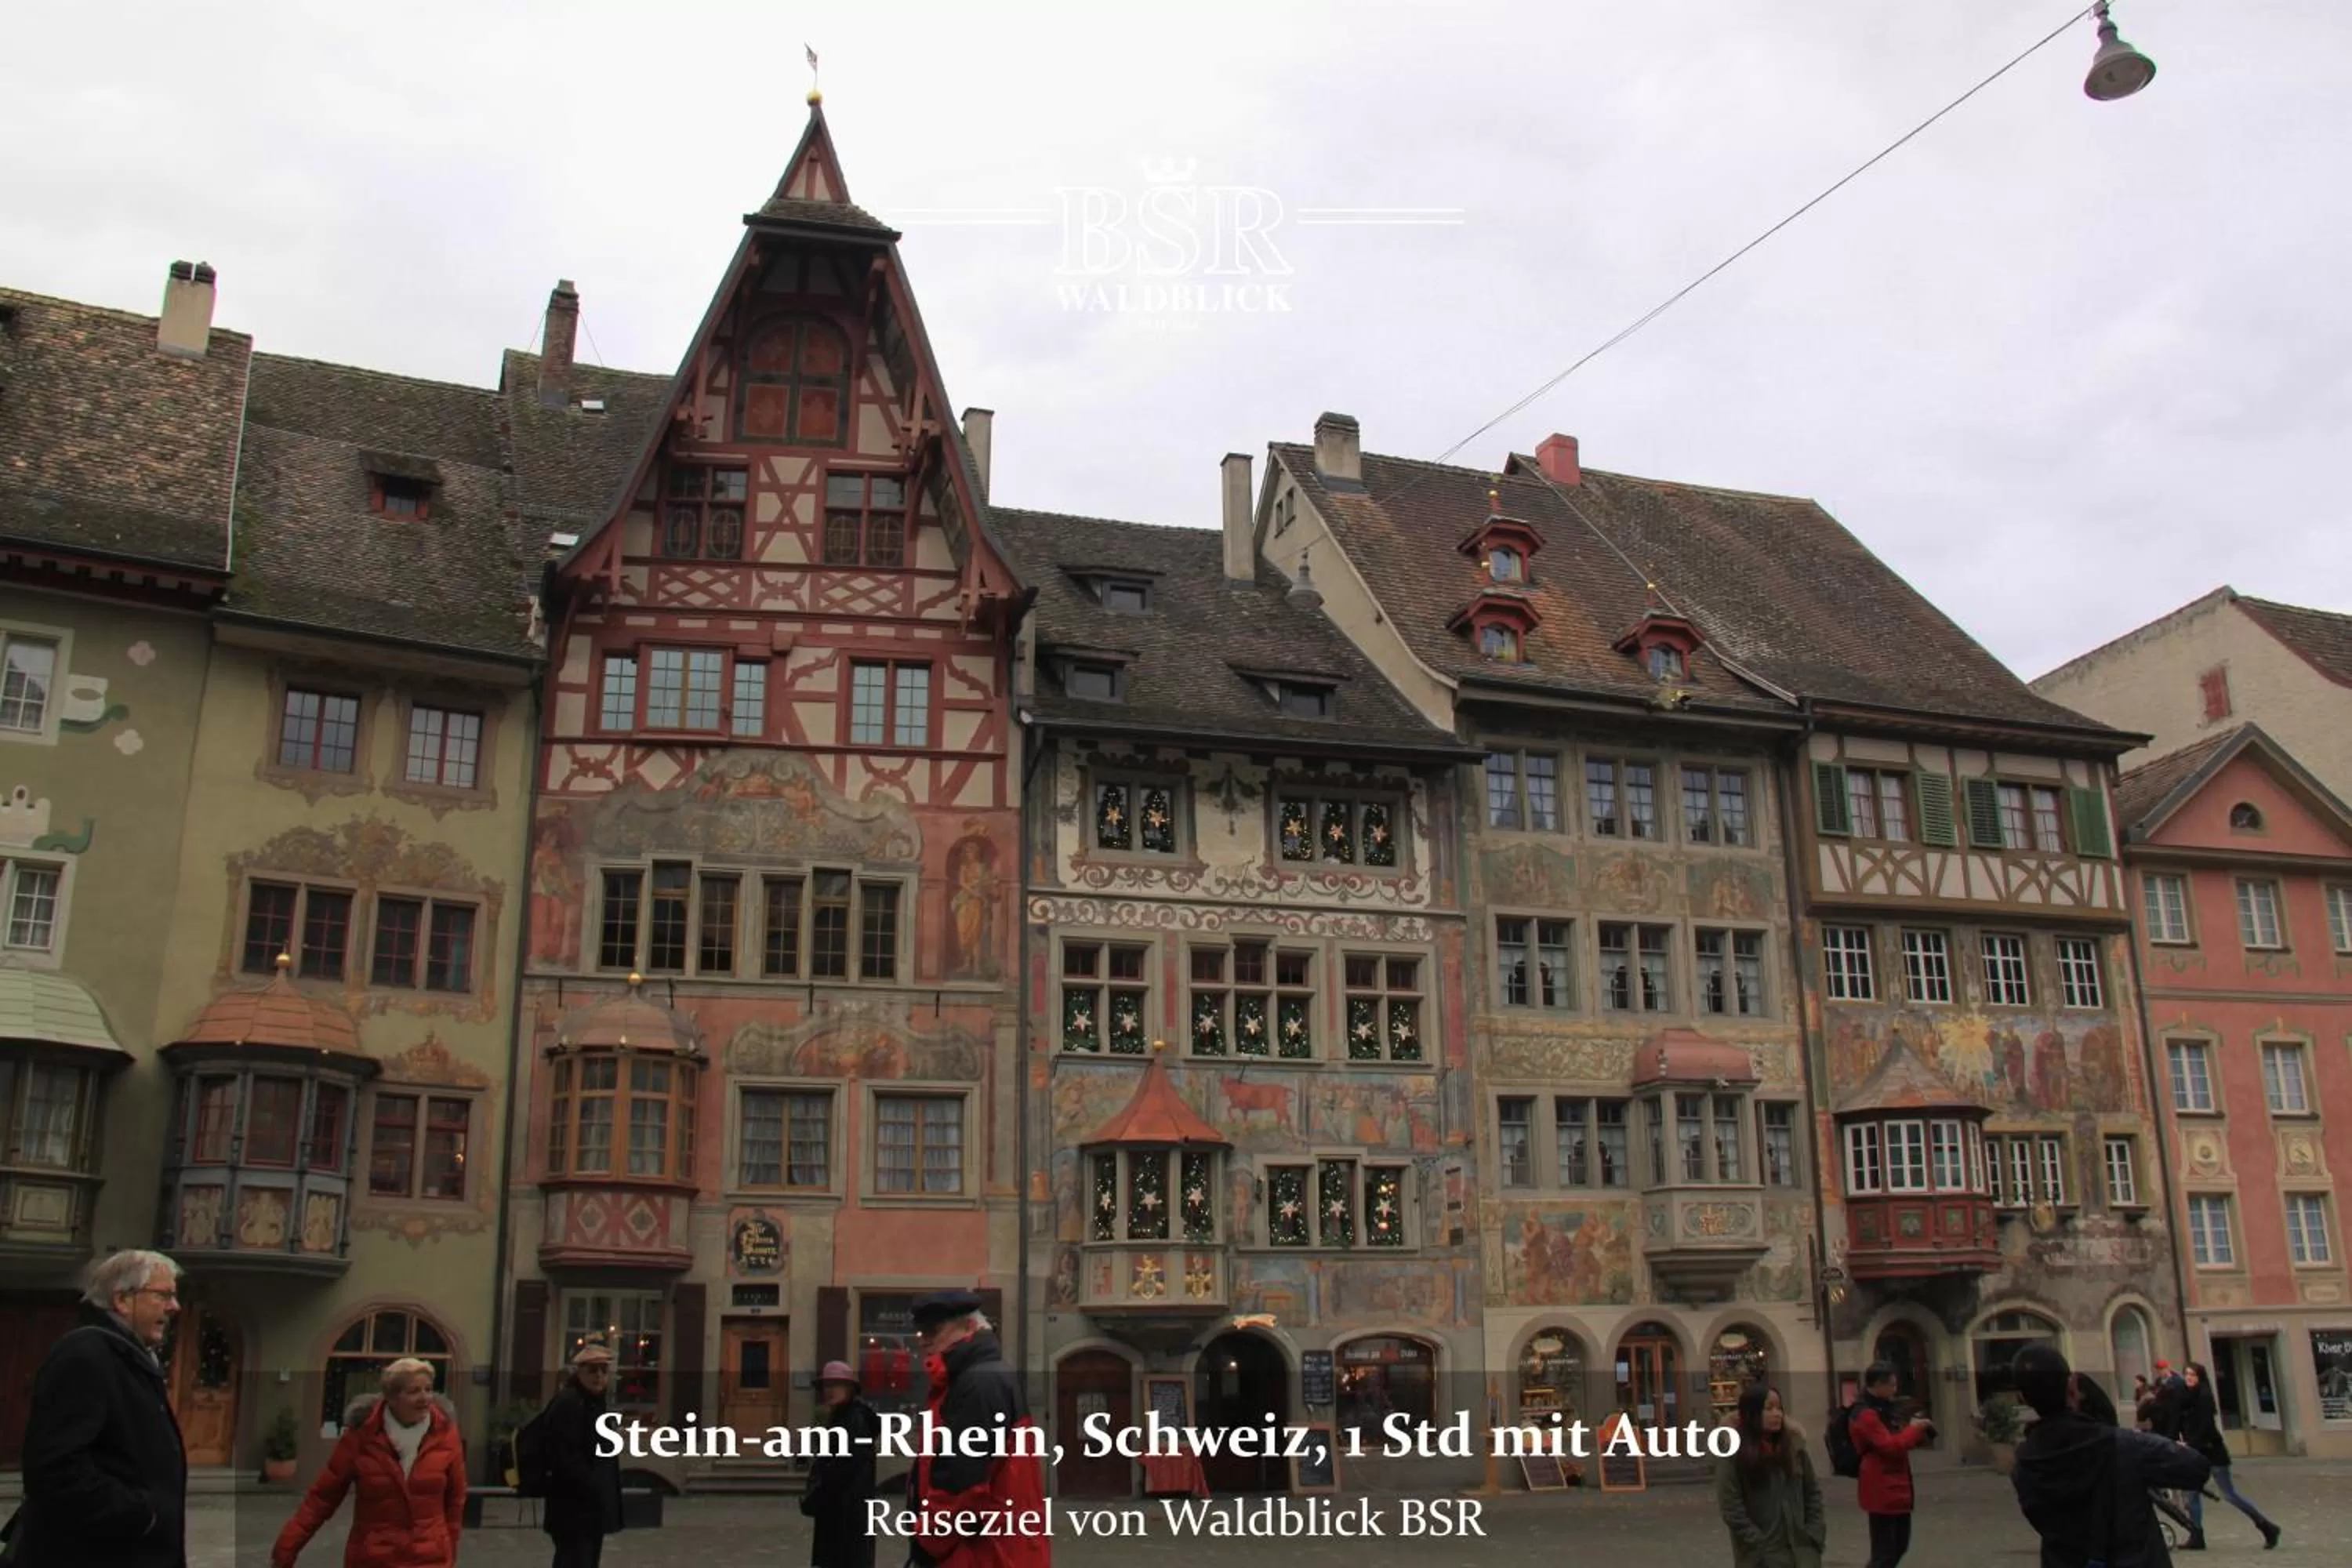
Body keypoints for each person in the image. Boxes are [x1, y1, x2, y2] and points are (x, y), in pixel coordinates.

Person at [5, 1249, 190, 1568]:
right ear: (122, 1300)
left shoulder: (130, 1356)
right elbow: (55, 1467)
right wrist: (140, 1514)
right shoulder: (86, 1355)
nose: (175, 1307)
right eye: (164, 1295)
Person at [2011, 1345, 2212, 1568]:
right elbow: (2196, 1467)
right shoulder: (2124, 1444)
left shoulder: (2024, 1464)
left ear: (2022, 1398)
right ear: (2071, 1390)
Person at [270, 1358, 466, 1567]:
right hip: (374, 1557)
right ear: (392, 1398)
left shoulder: (445, 1434)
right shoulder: (361, 1436)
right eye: (414, 1391)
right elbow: (321, 1498)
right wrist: (285, 1550)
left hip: (430, 1558)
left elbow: (455, 1499)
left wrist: (449, 1551)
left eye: (428, 1389)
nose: (425, 1398)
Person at [902, 1290, 1049, 1568]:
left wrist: (928, 1545)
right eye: (921, 1332)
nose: (924, 1340)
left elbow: (961, 1483)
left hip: (979, 1554)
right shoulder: (979, 1377)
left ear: (969, 1327)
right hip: (991, 1549)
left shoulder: (978, 1383)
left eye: (933, 1330)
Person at [1715, 1385, 1824, 1568]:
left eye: (1779, 1408)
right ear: (1752, 1412)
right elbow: (1731, 1507)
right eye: (1769, 1408)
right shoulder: (1735, 1454)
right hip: (1761, 1557)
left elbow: (1812, 1493)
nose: (1777, 1414)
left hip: (1802, 1554)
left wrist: (1814, 1535)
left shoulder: (1794, 1449)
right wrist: (1758, 1544)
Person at [2175, 1362, 2281, 1551]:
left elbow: (2205, 1427)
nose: (2189, 1378)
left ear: (2200, 1377)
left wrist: (2190, 1443)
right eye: (2187, 1374)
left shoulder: (2204, 1397)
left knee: (2229, 1494)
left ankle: (2267, 1526)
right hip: (2194, 1452)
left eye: (2193, 1374)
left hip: (2212, 1452)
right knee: (2191, 1494)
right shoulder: (2184, 1396)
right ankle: (2196, 1534)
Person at [540, 1340, 624, 1568]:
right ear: (579, 1372)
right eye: (592, 1370)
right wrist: (593, 1485)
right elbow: (564, 1457)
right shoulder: (569, 1403)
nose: (599, 1376)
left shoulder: (594, 1403)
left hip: (589, 1508)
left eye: (603, 1370)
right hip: (573, 1508)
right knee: (574, 1560)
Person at [1848, 1361, 1932, 1568]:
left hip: (1897, 1484)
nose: (1895, 1390)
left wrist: (1916, 1433)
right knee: (1885, 1552)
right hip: (1881, 1486)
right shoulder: (1865, 1414)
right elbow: (1890, 1446)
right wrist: (1914, 1429)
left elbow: (1898, 1441)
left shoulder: (1885, 1409)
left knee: (1899, 1546)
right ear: (1877, 1384)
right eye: (1891, 1385)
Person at [802, 1360, 880, 1568]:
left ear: (850, 1389)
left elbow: (843, 1467)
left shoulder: (852, 1420)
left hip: (846, 1511)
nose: (831, 1391)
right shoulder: (842, 1417)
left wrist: (817, 1493)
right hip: (842, 1509)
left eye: (837, 1385)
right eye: (827, 1386)